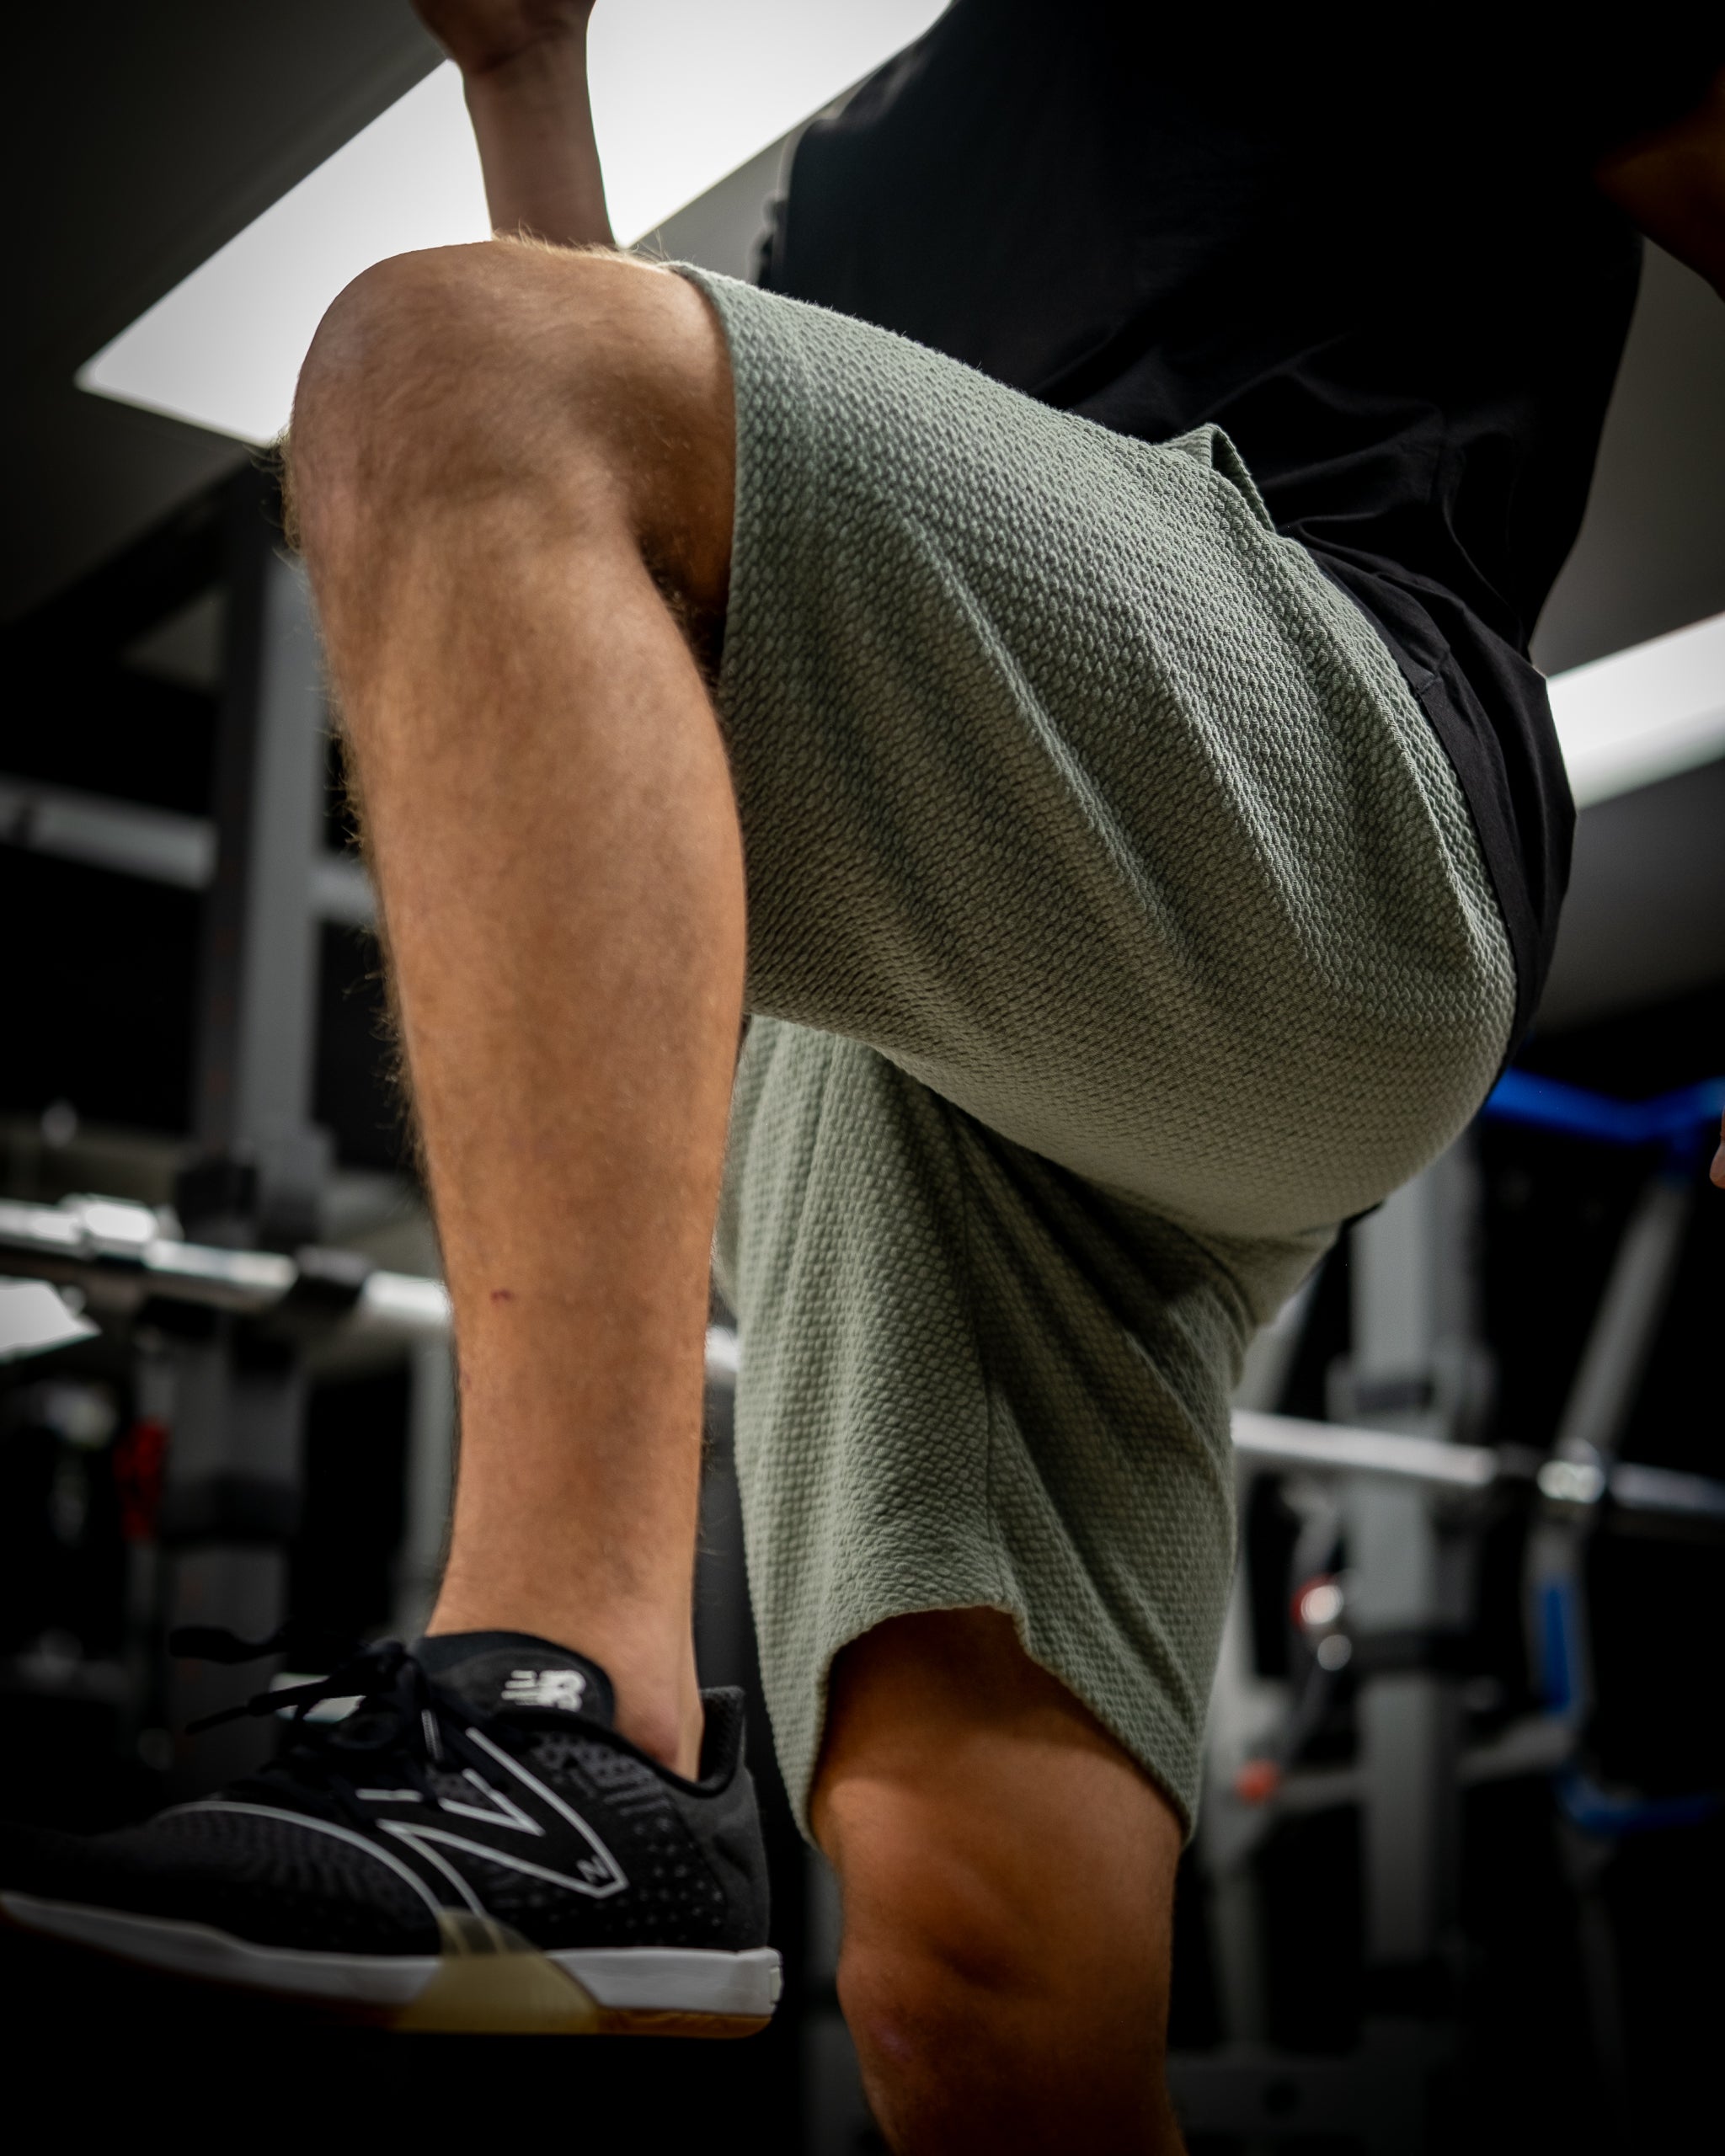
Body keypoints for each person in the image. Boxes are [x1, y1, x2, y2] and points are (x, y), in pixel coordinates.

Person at [5, 3, 1723, 2145]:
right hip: (953, 1006)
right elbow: (642, 569)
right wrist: (524, 80)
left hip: (1314, 770)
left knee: (436, 365)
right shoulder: (880, 151)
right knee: (973, 1997)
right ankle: (588, 1785)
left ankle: (568, 1707)